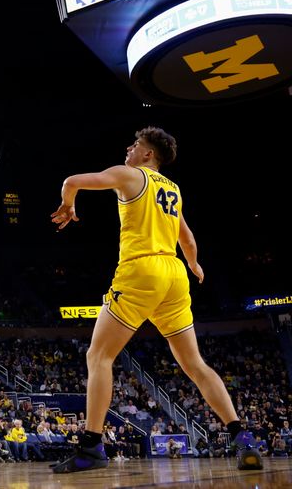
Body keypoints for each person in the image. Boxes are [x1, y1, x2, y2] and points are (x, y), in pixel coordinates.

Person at [50, 127, 262, 473]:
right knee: (195, 364)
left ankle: (91, 447)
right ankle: (242, 438)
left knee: (99, 355)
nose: (129, 149)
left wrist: (68, 205)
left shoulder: (128, 174)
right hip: (175, 274)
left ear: (148, 154)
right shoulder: (173, 189)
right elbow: (187, 239)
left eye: (135, 145)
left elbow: (72, 180)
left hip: (141, 269)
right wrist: (193, 265)